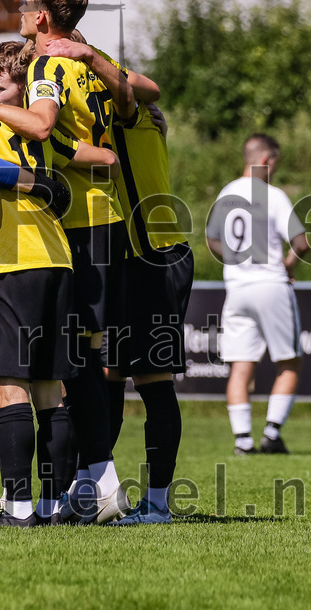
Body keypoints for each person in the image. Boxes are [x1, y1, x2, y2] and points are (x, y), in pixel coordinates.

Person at [0, 0, 135, 524]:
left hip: (72, 234)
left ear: (42, 15)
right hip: (82, 230)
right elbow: (127, 113)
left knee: (66, 368)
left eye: (24, 5)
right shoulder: (78, 60)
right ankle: (66, 488)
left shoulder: (49, 66)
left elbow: (44, 125)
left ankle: (93, 481)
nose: (19, 12)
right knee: (67, 367)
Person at [104, 97, 195, 526]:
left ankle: (157, 504)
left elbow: (139, 90)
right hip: (127, 260)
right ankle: (96, 490)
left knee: (154, 382)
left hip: (154, 258)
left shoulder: (129, 112)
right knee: (108, 375)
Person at [206, 134, 309, 456]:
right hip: (271, 285)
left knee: (240, 367)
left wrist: (235, 262)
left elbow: (212, 240)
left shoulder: (227, 192)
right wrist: (290, 265)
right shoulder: (272, 194)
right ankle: (272, 434)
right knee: (290, 363)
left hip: (236, 289)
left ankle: (242, 441)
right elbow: (301, 243)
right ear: (266, 161)